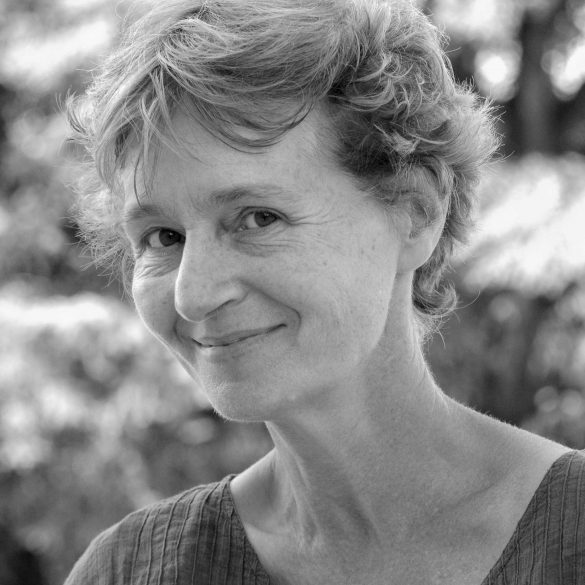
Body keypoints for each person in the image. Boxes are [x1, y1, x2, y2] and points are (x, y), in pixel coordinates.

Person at [63, 0, 585, 583]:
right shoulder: (128, 570)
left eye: (258, 218)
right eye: (163, 237)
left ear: (415, 213)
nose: (193, 295)